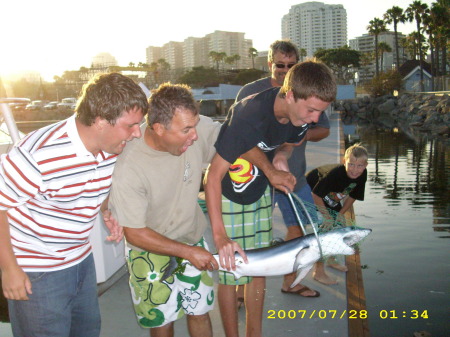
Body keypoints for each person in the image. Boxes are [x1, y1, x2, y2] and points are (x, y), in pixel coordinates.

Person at [0, 72, 148, 337]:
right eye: (131, 125)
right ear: (101, 121)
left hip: (81, 260)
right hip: (37, 272)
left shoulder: (110, 147)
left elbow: (92, 185)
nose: (137, 134)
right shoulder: (38, 154)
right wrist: (10, 270)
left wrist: (106, 209)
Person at [204, 60, 336, 337]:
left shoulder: (300, 116)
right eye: (311, 110)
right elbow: (212, 177)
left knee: (258, 269)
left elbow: (290, 139)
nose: (314, 119)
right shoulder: (248, 113)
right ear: (289, 95)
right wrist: (220, 238)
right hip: (231, 193)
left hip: (263, 191)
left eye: (319, 112)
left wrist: (280, 157)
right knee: (230, 272)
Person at [108, 83, 220, 337]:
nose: (195, 136)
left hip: (191, 237)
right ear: (158, 128)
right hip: (148, 251)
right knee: (162, 320)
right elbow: (134, 233)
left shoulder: (196, 128)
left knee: (200, 311)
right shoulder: (129, 168)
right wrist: (187, 252)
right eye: (186, 130)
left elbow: (232, 138)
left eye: (195, 125)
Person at [236, 40, 328, 300]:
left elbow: (323, 128)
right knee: (251, 236)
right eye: (280, 65)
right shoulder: (250, 92)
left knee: (298, 232)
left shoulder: (308, 91)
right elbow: (237, 139)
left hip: (294, 178)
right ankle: (241, 291)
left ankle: (291, 282)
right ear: (270, 64)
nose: (285, 70)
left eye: (291, 65)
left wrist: (298, 132)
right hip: (256, 180)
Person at [306, 143, 369, 285]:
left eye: (360, 166)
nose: (355, 170)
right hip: (311, 191)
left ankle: (331, 259)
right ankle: (318, 272)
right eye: (351, 164)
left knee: (339, 226)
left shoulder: (362, 174)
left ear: (366, 165)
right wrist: (327, 217)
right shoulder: (334, 174)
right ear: (344, 161)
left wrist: (340, 214)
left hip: (328, 197)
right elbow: (315, 195)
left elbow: (353, 196)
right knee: (325, 230)